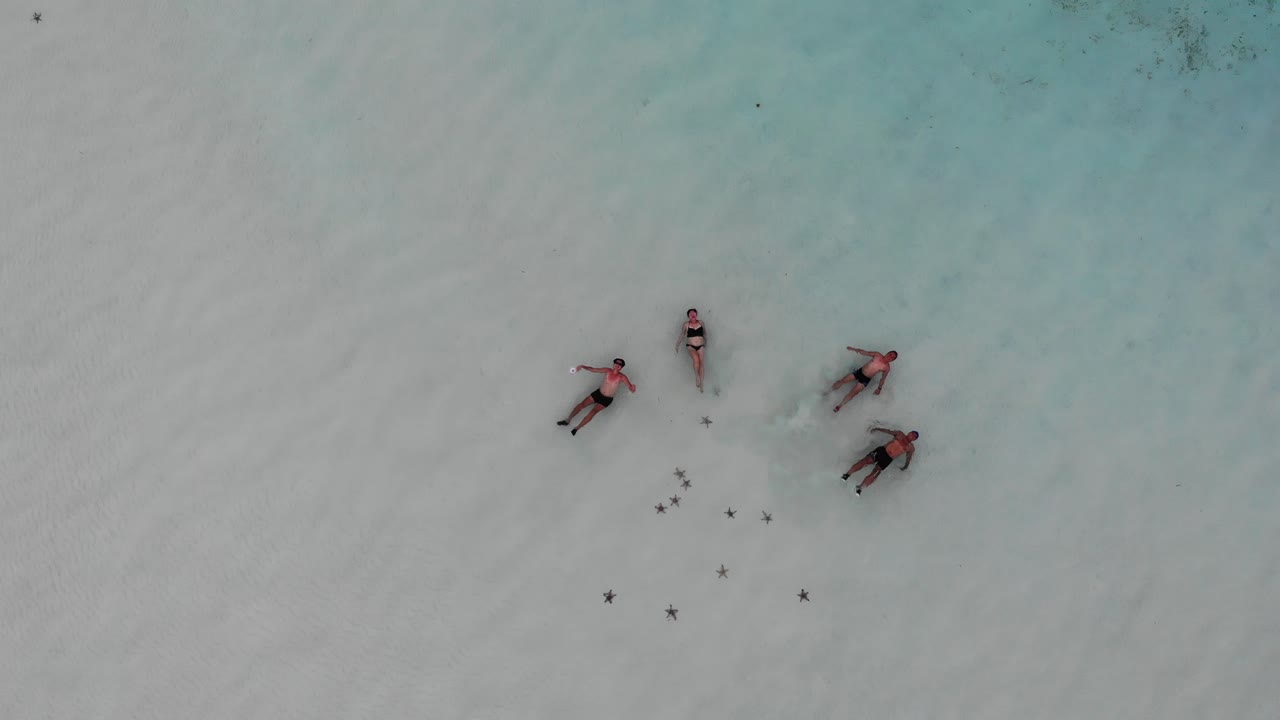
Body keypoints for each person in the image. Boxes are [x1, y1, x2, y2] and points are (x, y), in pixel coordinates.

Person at [557, 358, 636, 435]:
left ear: (622, 367)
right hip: (598, 393)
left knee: (593, 412)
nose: (617, 365)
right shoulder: (607, 370)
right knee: (581, 405)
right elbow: (593, 369)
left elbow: (630, 387)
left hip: (607, 399)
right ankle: (567, 420)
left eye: (620, 364)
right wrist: (582, 366)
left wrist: (632, 389)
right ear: (614, 364)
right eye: (616, 363)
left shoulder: (622, 377)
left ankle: (576, 428)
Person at [841, 427, 919, 495]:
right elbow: (888, 431)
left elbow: (908, 458)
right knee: (864, 461)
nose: (912, 436)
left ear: (914, 440)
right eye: (912, 433)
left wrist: (905, 466)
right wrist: (877, 429)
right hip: (882, 451)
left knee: (875, 473)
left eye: (914, 437)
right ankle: (847, 474)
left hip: (888, 459)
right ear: (909, 433)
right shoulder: (899, 434)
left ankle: (860, 488)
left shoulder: (911, 448)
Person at [825, 346, 897, 412]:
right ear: (888, 353)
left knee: (853, 393)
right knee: (842, 381)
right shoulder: (877, 355)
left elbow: (883, 379)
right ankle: (828, 391)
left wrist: (879, 388)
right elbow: (865, 352)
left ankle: (839, 406)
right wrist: (854, 349)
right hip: (859, 372)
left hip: (865, 380)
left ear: (892, 360)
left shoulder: (886, 368)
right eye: (890, 354)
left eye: (892, 357)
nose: (890, 356)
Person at [675, 308, 708, 392]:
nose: (693, 315)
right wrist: (677, 344)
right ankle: (697, 376)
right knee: (696, 360)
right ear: (688, 316)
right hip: (691, 346)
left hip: (701, 345)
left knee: (702, 362)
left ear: (696, 315)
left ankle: (702, 383)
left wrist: (706, 343)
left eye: (694, 313)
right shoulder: (686, 324)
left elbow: (705, 333)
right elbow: (682, 335)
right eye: (690, 314)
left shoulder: (701, 323)